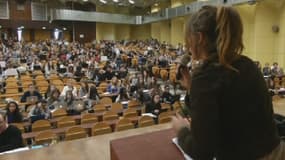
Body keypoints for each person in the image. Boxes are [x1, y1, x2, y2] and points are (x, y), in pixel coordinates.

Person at [172, 6, 283, 160]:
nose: (187, 46)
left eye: (188, 39)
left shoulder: (205, 76)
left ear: (200, 38)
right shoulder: (248, 64)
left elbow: (201, 152)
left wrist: (182, 131)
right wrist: (192, 87)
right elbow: (229, 108)